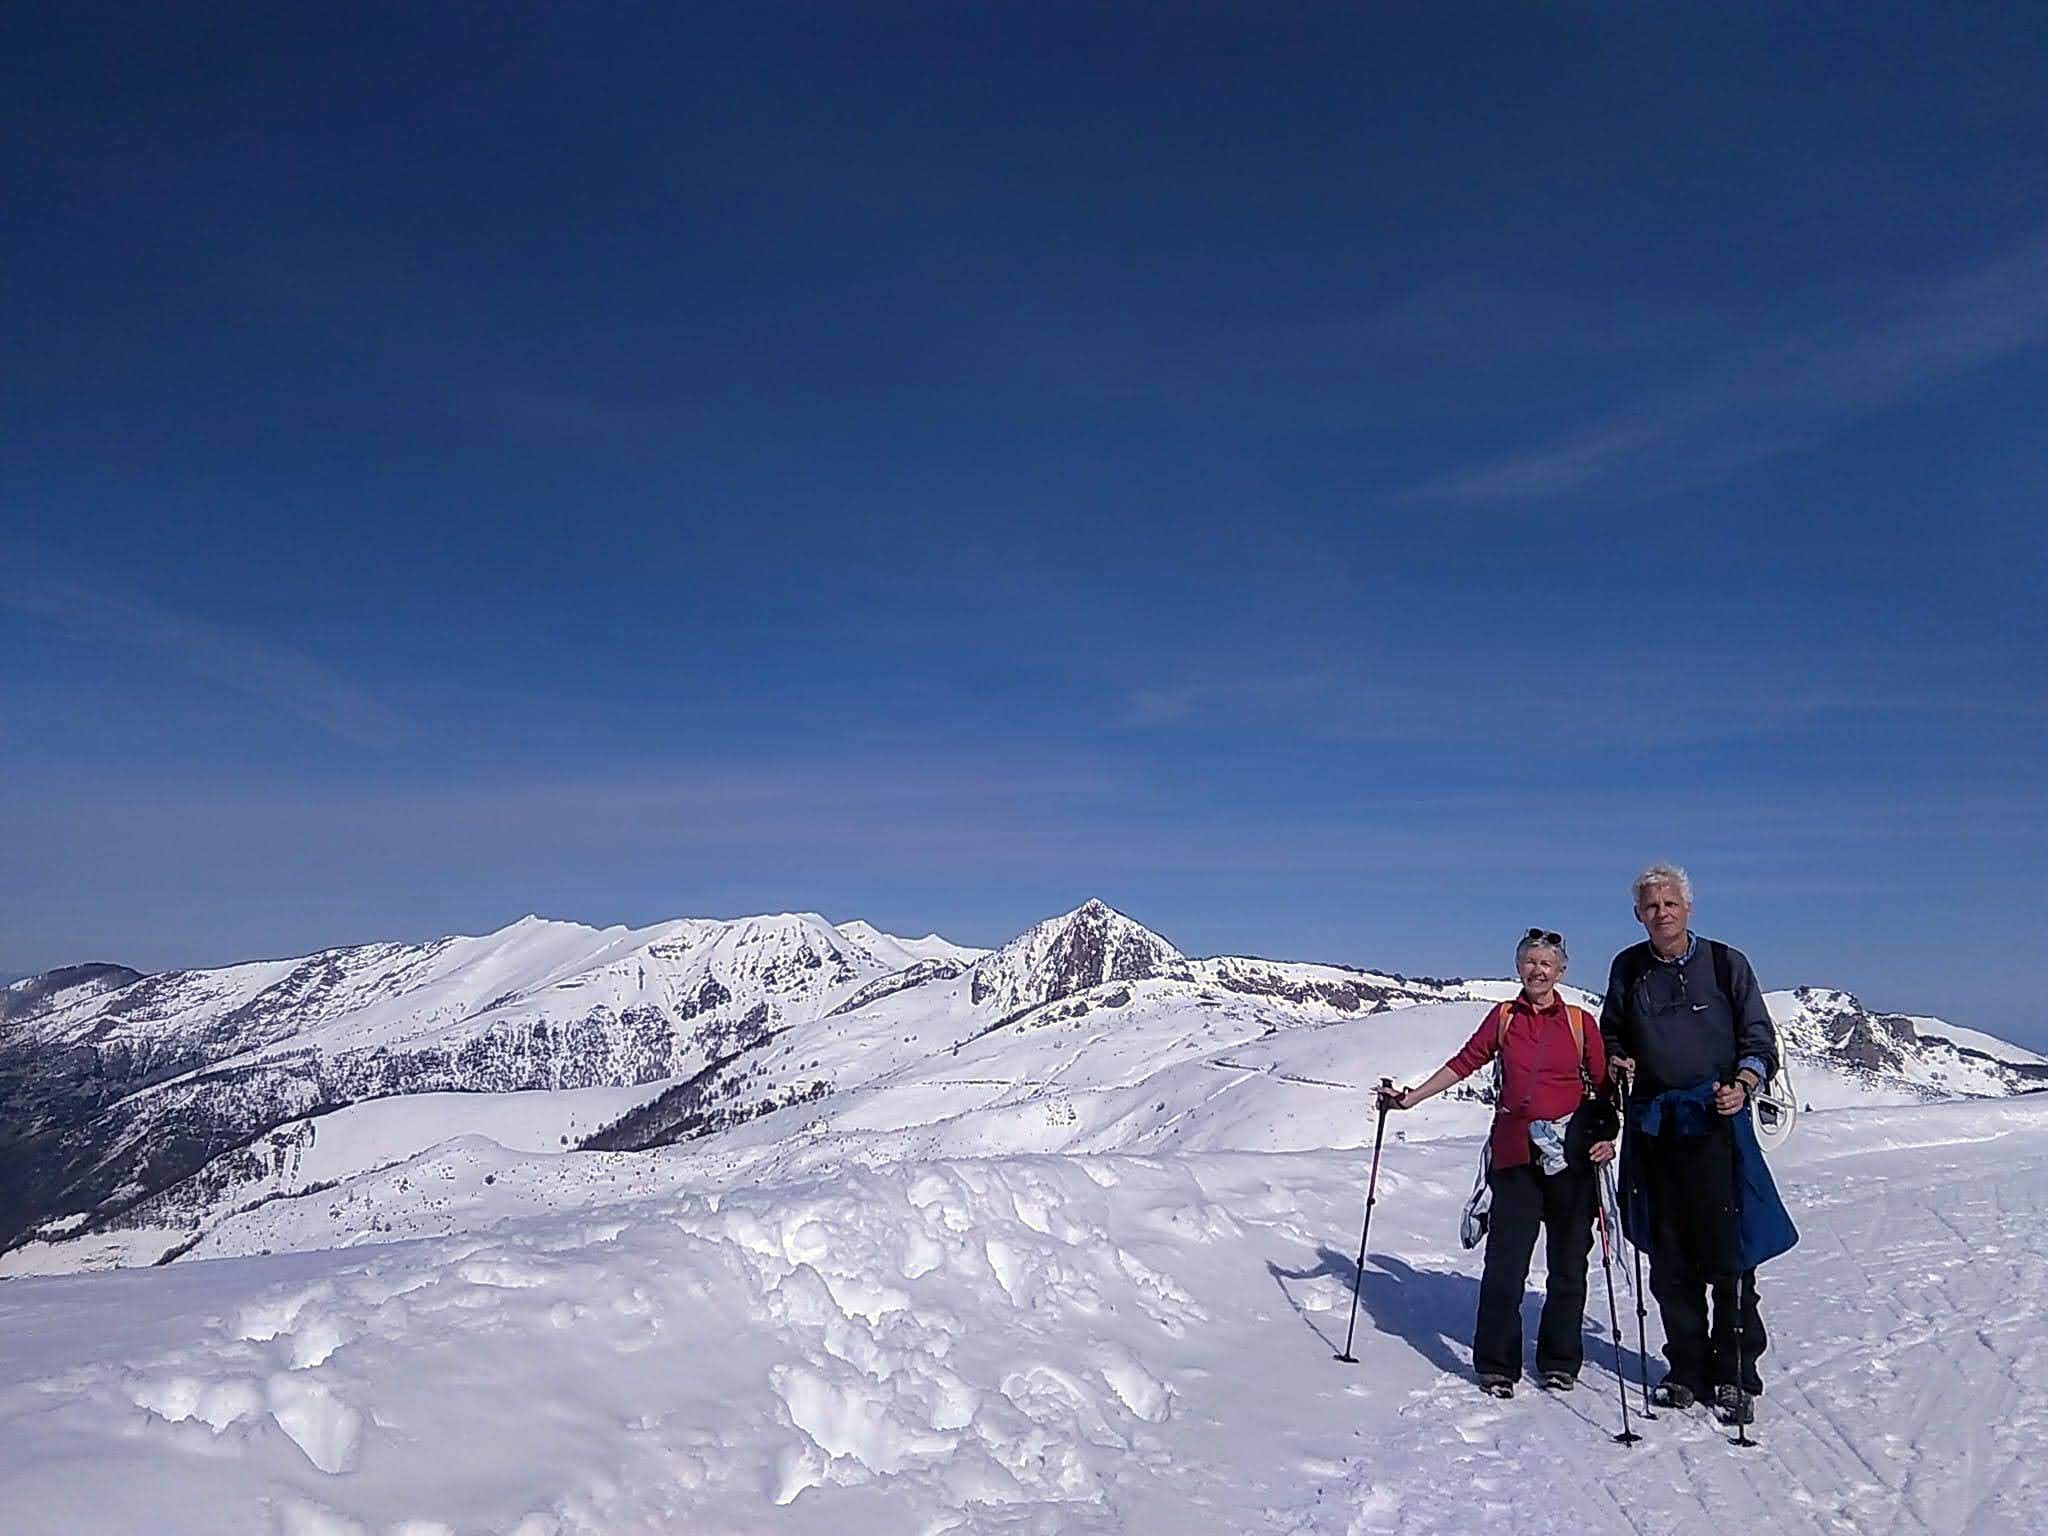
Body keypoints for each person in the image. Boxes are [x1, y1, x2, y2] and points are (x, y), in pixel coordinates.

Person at [1380, 929, 1615, 1398]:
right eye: (1529, 961)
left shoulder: (1580, 1022)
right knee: (1506, 1264)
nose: (1538, 970)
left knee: (1569, 1264)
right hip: (1514, 1154)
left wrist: (1608, 1137)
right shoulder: (1504, 1017)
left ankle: (1559, 1360)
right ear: (1518, 968)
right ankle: (1496, 1364)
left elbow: (1606, 1088)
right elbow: (1465, 1061)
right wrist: (1411, 1099)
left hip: (1570, 1156)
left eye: (1546, 963)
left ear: (1562, 971)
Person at [1600, 862, 1783, 1424]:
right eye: (1651, 906)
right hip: (1655, 1128)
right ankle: (1685, 1369)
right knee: (1670, 1257)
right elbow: (1613, 1030)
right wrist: (1616, 1057)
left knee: (1729, 1255)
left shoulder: (1727, 964)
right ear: (1639, 914)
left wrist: (1745, 1084)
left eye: (1670, 904)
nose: (1662, 914)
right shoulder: (1628, 968)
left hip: (1717, 1126)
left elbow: (1759, 1038)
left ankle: (1734, 1375)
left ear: (1688, 908)